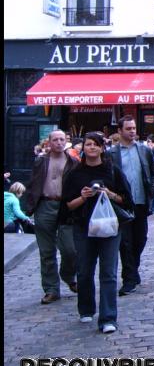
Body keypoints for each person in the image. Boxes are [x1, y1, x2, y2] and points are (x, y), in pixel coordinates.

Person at [61, 131, 133, 334]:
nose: (91, 147)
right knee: (84, 270)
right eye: (88, 144)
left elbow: (126, 201)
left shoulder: (113, 171)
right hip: (83, 226)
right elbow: (68, 205)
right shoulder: (75, 173)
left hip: (109, 226)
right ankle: (86, 308)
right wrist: (83, 197)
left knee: (108, 273)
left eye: (95, 144)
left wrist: (109, 194)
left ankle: (108, 317)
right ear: (82, 148)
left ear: (102, 148)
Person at [22, 129, 79, 304]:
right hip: (45, 206)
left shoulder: (73, 162)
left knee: (70, 249)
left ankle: (68, 275)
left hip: (65, 206)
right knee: (47, 252)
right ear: (49, 142)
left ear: (66, 142)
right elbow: (32, 183)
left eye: (62, 139)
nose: (59, 143)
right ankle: (51, 289)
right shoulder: (41, 161)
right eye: (56, 140)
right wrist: (30, 206)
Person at [108, 116, 154, 296]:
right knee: (125, 242)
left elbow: (153, 172)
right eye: (128, 129)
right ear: (119, 131)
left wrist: (152, 191)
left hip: (141, 201)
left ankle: (133, 270)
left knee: (140, 239)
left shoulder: (144, 150)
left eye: (134, 128)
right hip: (122, 203)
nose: (132, 132)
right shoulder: (111, 153)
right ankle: (128, 278)